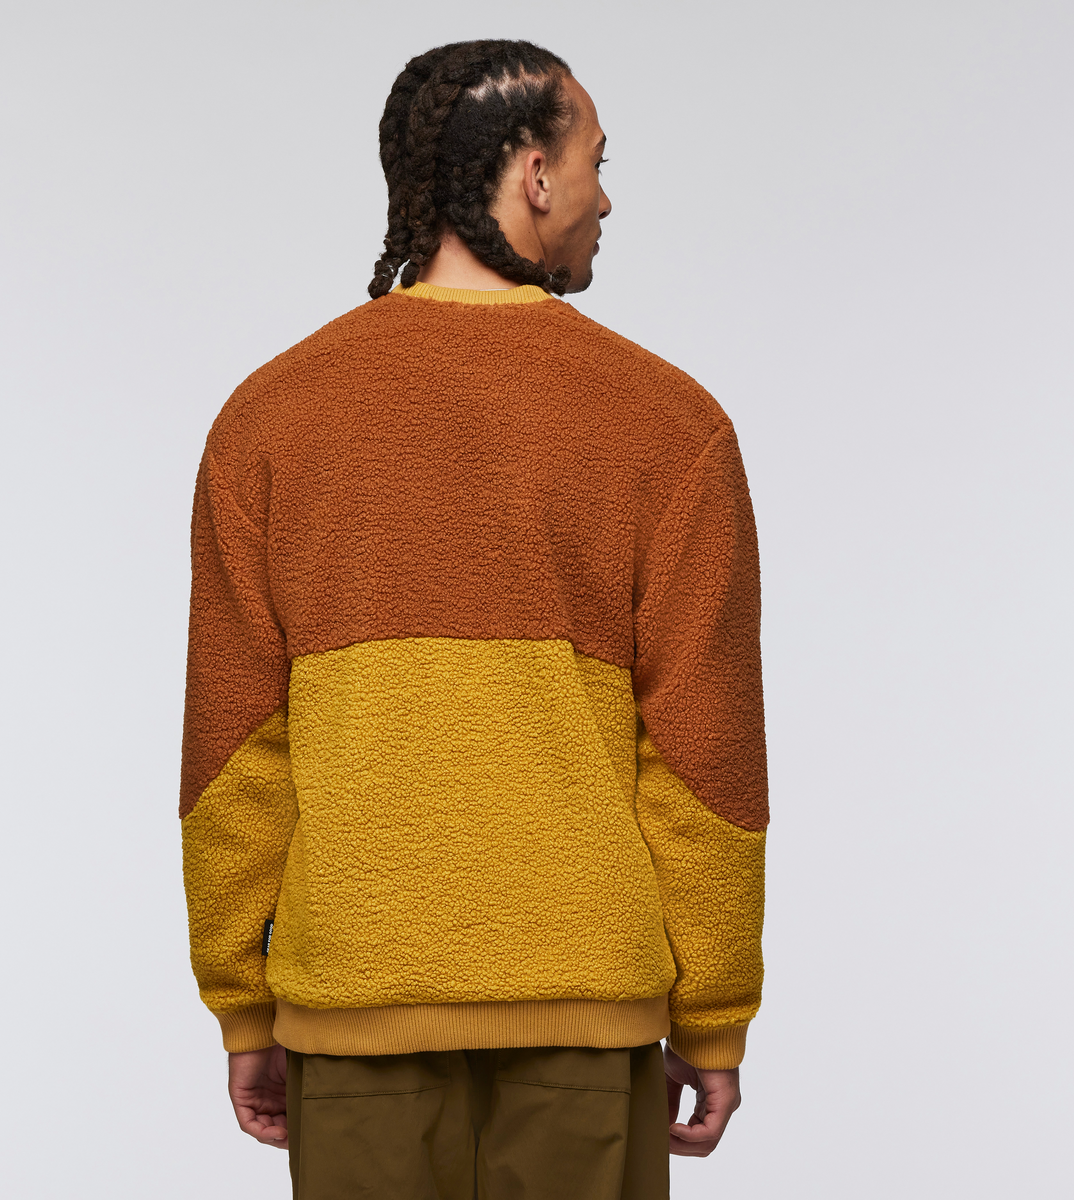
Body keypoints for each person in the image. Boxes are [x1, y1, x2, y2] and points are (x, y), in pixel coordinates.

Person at [179, 38, 768, 1199]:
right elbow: (707, 758)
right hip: (588, 1011)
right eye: (598, 163)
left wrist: (244, 1004)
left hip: (354, 1002)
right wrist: (713, 1017)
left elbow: (233, 751)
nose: (606, 199)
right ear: (535, 172)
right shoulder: (668, 423)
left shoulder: (271, 417)